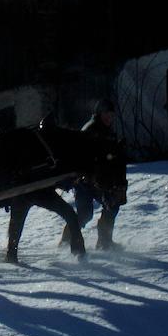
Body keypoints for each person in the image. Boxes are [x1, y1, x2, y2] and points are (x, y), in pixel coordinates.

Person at [65, 98, 122, 250]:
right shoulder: (90, 130)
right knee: (85, 214)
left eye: (111, 115)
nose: (109, 117)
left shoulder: (108, 132)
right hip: (85, 181)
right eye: (106, 114)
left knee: (112, 204)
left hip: (100, 180)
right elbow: (83, 157)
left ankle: (104, 242)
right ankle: (66, 241)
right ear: (99, 113)